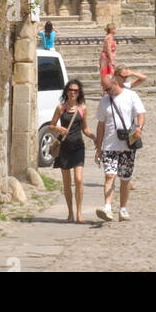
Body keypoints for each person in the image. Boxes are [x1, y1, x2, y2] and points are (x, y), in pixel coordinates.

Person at [94, 68, 146, 222]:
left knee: (125, 178)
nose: (107, 92)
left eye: (109, 88)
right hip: (110, 145)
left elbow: (141, 114)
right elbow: (100, 126)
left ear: (115, 82)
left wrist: (139, 128)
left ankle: (122, 209)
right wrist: (98, 147)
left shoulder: (131, 96)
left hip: (127, 144)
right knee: (109, 175)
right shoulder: (104, 101)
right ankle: (107, 207)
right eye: (104, 89)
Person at [49, 79, 96, 221]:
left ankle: (79, 212)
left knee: (79, 179)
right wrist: (58, 128)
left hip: (78, 147)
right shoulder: (60, 108)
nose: (73, 92)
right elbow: (51, 126)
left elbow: (85, 128)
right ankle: (70, 212)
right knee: (67, 183)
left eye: (76, 90)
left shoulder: (82, 109)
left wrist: (95, 138)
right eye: (70, 90)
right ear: (66, 91)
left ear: (79, 92)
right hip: (63, 148)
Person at [99, 23, 117, 91]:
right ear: (111, 29)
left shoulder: (110, 36)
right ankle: (106, 90)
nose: (116, 30)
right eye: (115, 28)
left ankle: (107, 89)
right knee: (107, 74)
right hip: (107, 58)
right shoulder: (109, 37)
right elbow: (108, 49)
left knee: (108, 74)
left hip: (107, 57)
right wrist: (111, 60)